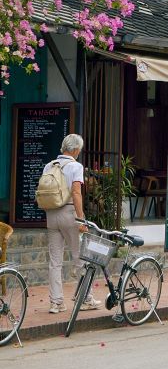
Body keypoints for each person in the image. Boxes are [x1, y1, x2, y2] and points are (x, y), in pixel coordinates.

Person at [44, 134, 101, 314]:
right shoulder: (76, 166)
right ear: (76, 150)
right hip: (69, 213)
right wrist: (81, 218)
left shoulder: (49, 165)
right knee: (80, 258)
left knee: (55, 261)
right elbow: (76, 192)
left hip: (51, 214)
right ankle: (86, 298)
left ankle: (56, 302)